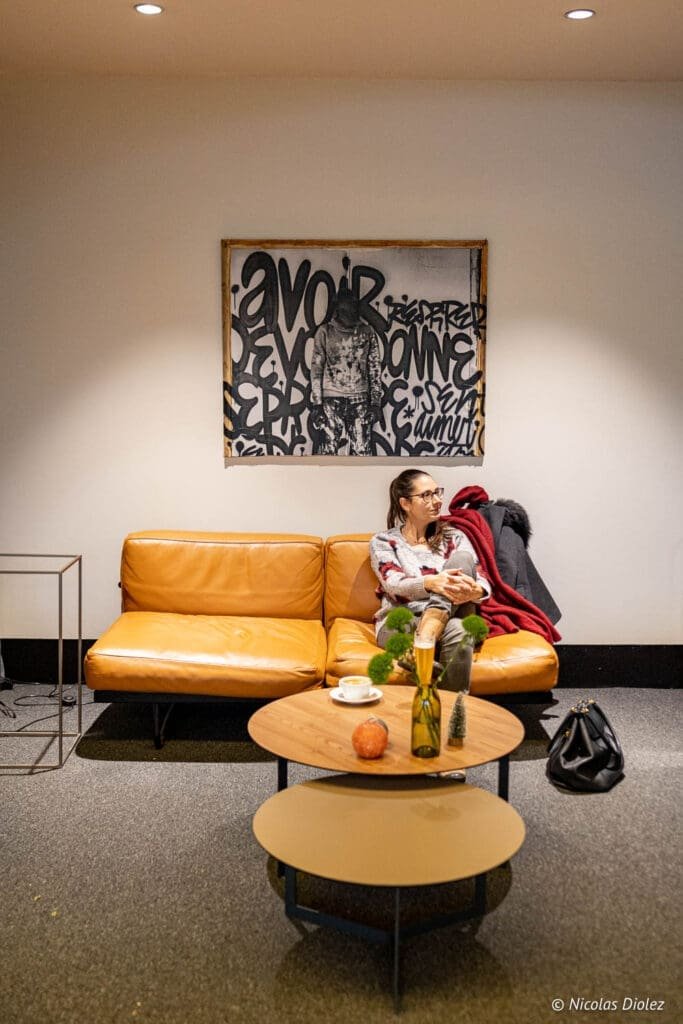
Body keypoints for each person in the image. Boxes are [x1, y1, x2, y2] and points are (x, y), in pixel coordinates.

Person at [369, 468, 491, 690]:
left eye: (438, 492)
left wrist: (478, 592)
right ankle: (448, 711)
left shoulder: (454, 537)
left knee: (462, 559)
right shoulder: (384, 542)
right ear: (405, 503)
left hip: (451, 612)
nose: (437, 501)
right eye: (427, 495)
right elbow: (393, 584)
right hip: (403, 621)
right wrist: (431, 583)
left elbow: (481, 576)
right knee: (459, 629)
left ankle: (425, 640)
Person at [309, 288, 382, 455]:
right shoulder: (325, 332)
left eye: (354, 304)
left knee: (361, 452)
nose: (353, 308)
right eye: (349, 304)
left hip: (357, 398)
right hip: (333, 399)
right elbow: (316, 369)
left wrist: (376, 403)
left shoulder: (367, 332)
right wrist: (317, 403)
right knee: (328, 453)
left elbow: (374, 368)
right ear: (338, 308)